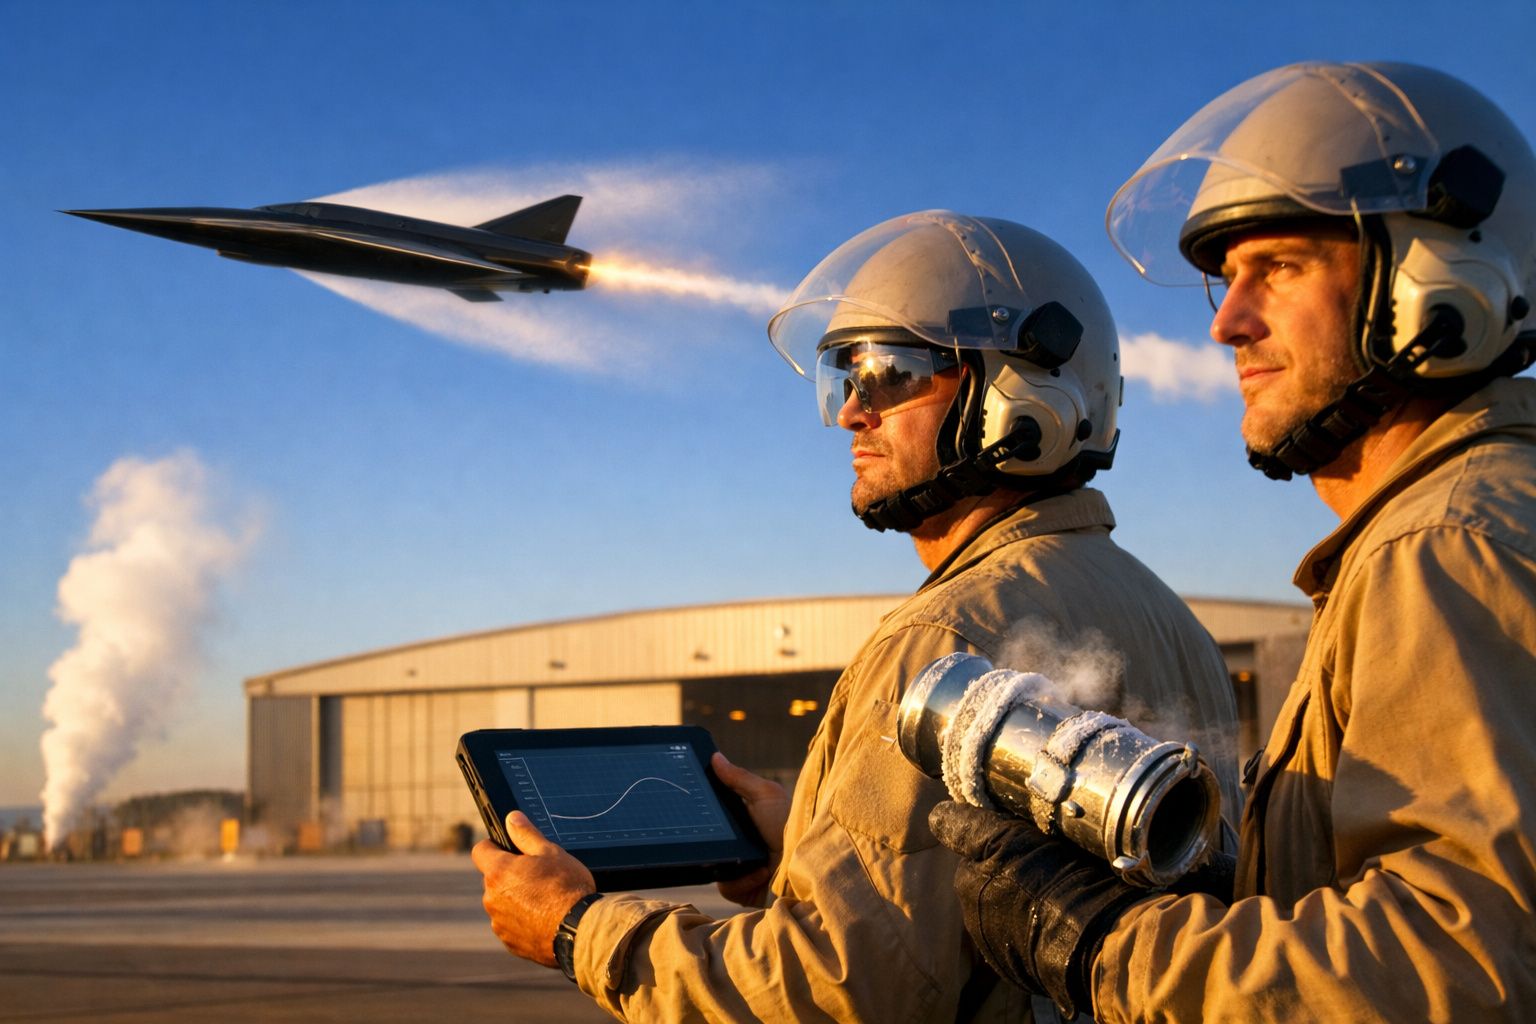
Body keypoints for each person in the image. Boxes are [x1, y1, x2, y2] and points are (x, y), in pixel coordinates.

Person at [472, 211, 1242, 1022]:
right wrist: (801, 846)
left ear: (1019, 395)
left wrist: (577, 929)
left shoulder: (946, 638)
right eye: (845, 377)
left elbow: (830, 993)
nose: (851, 412)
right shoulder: (1168, 617)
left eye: (890, 374)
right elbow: (999, 909)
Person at [930, 61, 1536, 1021]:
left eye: (1281, 267)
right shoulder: (1473, 520)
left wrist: (1104, 945)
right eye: (1225, 277)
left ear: (1434, 275)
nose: (1225, 322)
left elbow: (1446, 970)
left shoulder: (1444, 546)